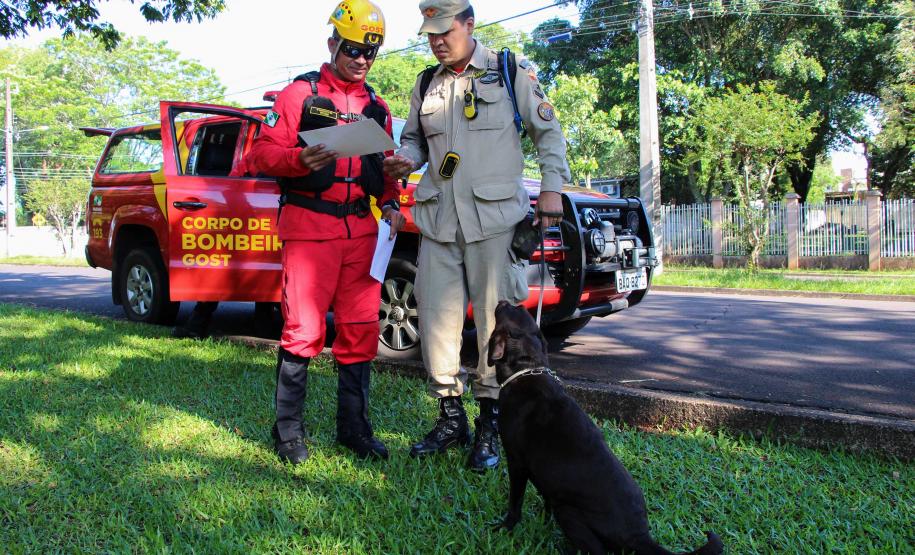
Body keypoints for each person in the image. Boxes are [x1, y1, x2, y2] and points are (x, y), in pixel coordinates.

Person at [383, 0, 571, 471]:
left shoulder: (509, 71)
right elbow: (414, 140)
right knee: (434, 321)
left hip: (492, 221)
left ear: (470, 24)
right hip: (439, 220)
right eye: (430, 33)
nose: (437, 40)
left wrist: (551, 191)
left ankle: (489, 421)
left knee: (495, 326)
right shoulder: (426, 82)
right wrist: (406, 158)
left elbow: (548, 134)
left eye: (445, 30)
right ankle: (450, 416)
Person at [248, 0, 406, 465]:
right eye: (354, 49)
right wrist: (298, 160)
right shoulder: (299, 95)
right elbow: (261, 156)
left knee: (360, 329)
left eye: (371, 52)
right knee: (304, 330)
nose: (362, 60)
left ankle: (353, 430)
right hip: (309, 229)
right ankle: (288, 432)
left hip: (361, 230)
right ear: (333, 42)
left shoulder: (378, 106)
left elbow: (385, 171)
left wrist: (393, 199)